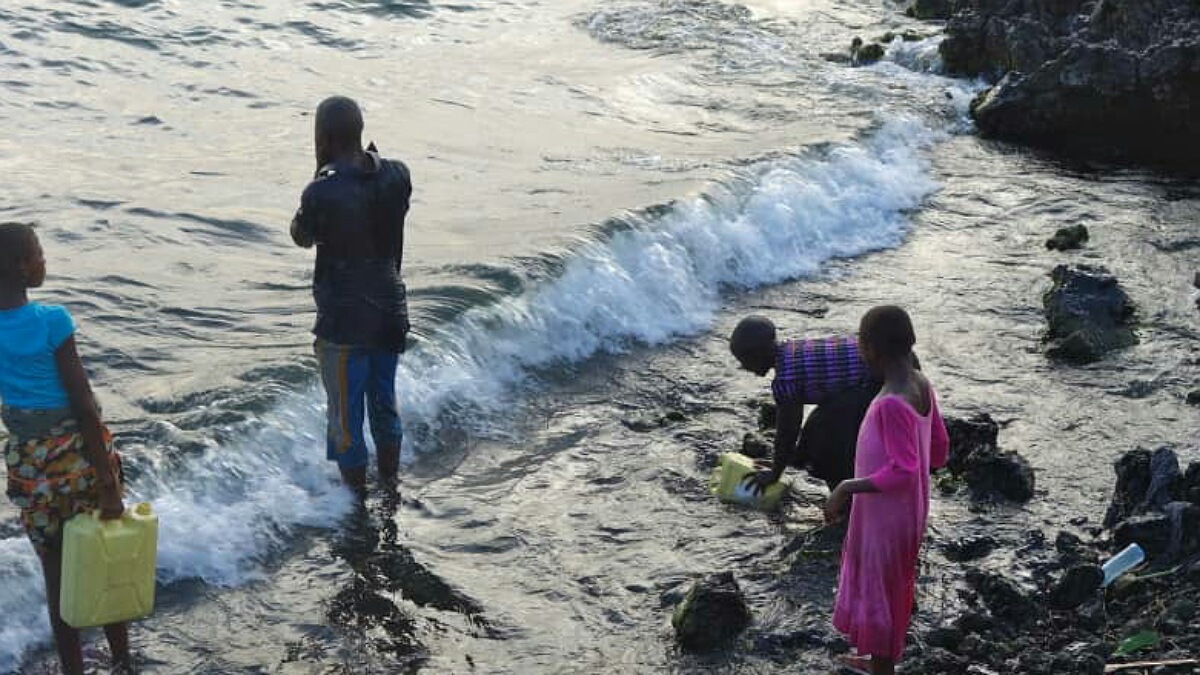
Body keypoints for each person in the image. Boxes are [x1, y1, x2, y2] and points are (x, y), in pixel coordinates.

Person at [0, 222, 132, 675]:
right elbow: (81, 404)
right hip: (76, 459)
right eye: (38, 252)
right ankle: (122, 659)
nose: (44, 259)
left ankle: (72, 668)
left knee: (55, 574)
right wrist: (109, 483)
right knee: (104, 555)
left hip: (29, 467)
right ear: (21, 266)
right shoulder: (52, 320)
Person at [291, 96, 413, 491]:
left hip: (343, 322)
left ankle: (357, 506)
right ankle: (391, 486)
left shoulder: (320, 192)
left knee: (345, 421)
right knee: (384, 405)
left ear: (323, 137)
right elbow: (379, 202)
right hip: (390, 312)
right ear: (361, 131)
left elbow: (301, 236)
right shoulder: (397, 175)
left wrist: (319, 172)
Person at [824, 306, 948, 675]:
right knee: (894, 585)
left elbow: (904, 471)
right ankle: (878, 658)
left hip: (886, 518)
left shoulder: (890, 403)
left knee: (880, 589)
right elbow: (939, 449)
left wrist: (846, 487)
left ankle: (882, 667)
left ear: (869, 349)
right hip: (910, 513)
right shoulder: (921, 384)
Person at [729, 315, 876, 492]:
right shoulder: (792, 349)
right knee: (818, 425)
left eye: (745, 360)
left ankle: (844, 496)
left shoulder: (786, 378)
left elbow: (788, 432)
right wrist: (782, 461)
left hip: (879, 379)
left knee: (824, 436)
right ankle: (842, 486)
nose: (744, 367)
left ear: (760, 353)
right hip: (887, 362)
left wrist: (774, 474)